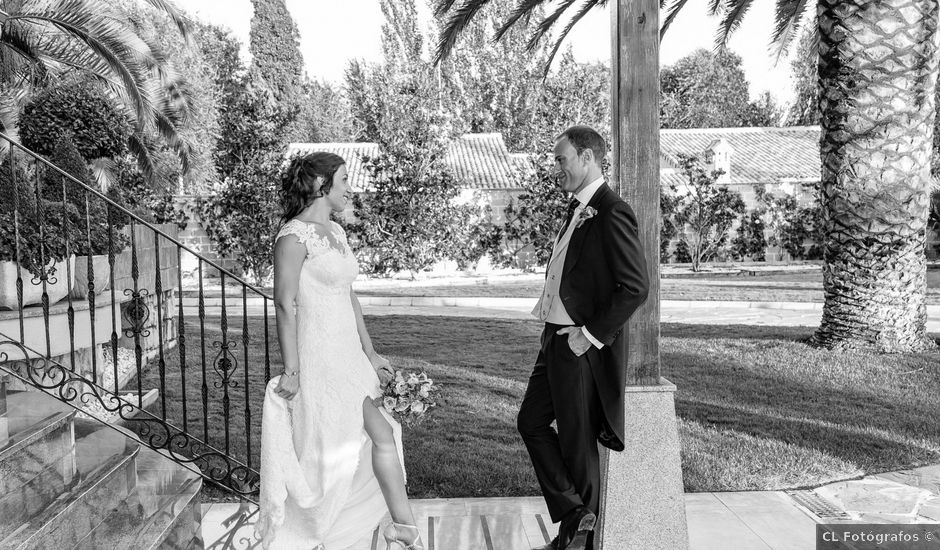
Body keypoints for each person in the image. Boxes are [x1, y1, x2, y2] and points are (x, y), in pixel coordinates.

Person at [256, 152, 423, 550]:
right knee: (361, 437)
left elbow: (349, 297)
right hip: (320, 356)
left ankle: (403, 528)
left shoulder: (337, 232)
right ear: (320, 185)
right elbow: (284, 303)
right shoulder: (292, 237)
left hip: (348, 352)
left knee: (380, 435)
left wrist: (371, 353)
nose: (350, 189)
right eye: (345, 180)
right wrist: (292, 371)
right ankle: (403, 530)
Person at [518, 126, 650, 550]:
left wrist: (588, 336)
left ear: (588, 158)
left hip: (577, 345)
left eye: (562, 159)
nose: (557, 167)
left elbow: (635, 287)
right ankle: (576, 514)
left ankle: (579, 543)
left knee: (577, 444)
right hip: (553, 339)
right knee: (531, 422)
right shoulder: (578, 209)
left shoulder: (611, 211)